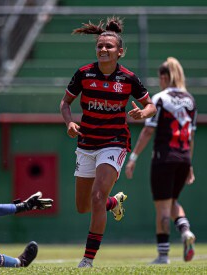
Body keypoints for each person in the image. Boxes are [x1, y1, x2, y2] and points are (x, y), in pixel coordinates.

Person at [60, 16, 157, 268]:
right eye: (100, 46)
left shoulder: (128, 79)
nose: (103, 49)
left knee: (96, 197)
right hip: (86, 143)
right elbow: (65, 103)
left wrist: (142, 113)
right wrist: (69, 122)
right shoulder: (83, 74)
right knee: (83, 207)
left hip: (114, 142)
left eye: (109, 46)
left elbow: (151, 106)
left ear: (120, 52)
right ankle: (115, 202)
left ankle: (87, 260)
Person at [125, 57, 197, 264]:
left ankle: (163, 256)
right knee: (172, 202)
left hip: (164, 158)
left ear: (165, 77)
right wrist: (190, 163)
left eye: (160, 78)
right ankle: (185, 232)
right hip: (183, 158)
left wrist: (134, 157)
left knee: (162, 208)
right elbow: (190, 136)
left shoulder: (159, 99)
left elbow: (148, 131)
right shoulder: (190, 99)